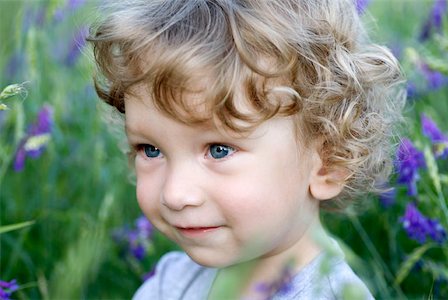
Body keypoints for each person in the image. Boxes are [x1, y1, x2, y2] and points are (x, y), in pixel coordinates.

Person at [88, 0, 405, 298]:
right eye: (151, 150)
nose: (174, 194)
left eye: (219, 150)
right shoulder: (171, 284)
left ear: (328, 162)